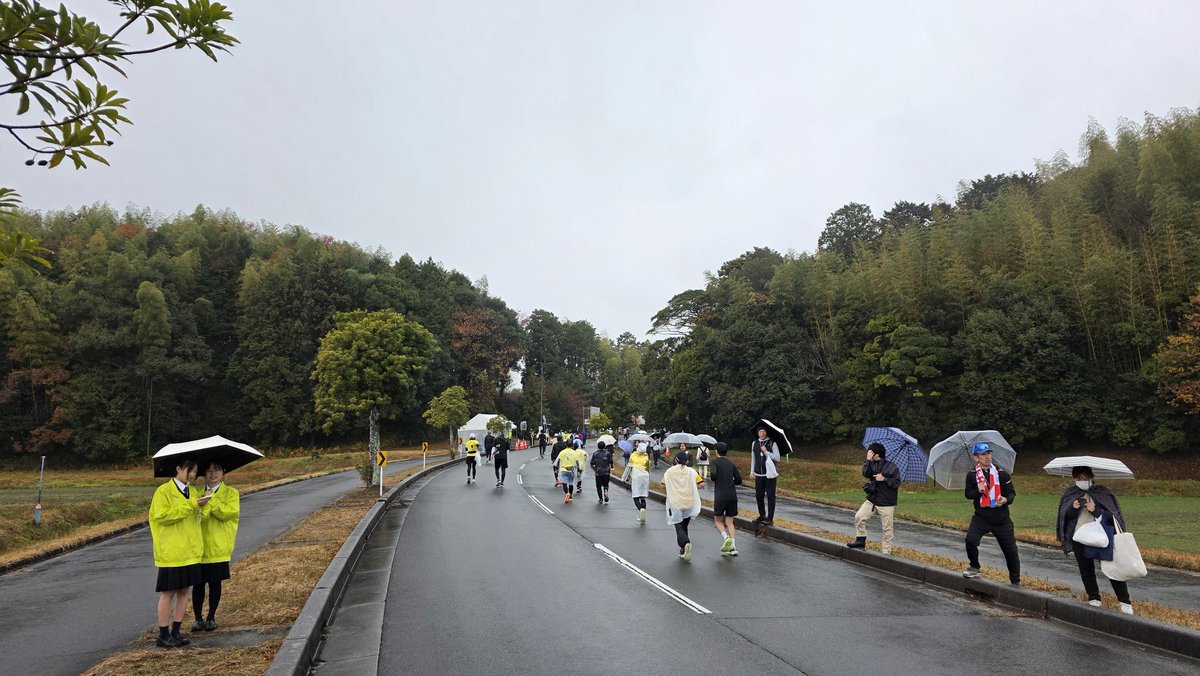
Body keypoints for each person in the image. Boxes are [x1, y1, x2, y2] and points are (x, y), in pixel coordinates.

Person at [1056, 466, 1135, 614]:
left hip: (1101, 537)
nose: (1082, 480)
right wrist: (1073, 508)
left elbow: (1113, 517)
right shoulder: (1070, 493)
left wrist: (1096, 510)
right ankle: (1094, 598)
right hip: (1079, 537)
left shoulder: (1103, 492)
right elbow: (1063, 516)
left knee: (1112, 568)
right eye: (1079, 478)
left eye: (1085, 477)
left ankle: (1125, 601)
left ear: (1091, 477)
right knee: (1086, 570)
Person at [149, 459, 206, 648]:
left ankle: (176, 631)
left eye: (196, 471)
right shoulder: (163, 492)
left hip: (189, 551)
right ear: (179, 468)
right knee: (168, 592)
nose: (193, 475)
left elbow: (196, 518)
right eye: (190, 470)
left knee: (184, 591)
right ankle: (163, 634)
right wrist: (191, 506)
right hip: (172, 551)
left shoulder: (193, 492)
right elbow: (162, 516)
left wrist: (203, 505)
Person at [962, 442, 1020, 584]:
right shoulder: (972, 475)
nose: (987, 457)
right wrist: (978, 491)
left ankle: (1015, 580)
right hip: (982, 516)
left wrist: (1006, 499)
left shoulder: (1002, 474)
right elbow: (968, 494)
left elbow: (1012, 493)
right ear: (976, 458)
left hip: (1002, 518)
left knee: (1011, 551)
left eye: (989, 453)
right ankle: (974, 566)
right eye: (983, 454)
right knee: (970, 540)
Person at [192, 462, 239, 632]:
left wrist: (209, 501)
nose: (213, 474)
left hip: (219, 546)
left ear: (224, 472)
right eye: (209, 470)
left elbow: (227, 513)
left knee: (215, 583)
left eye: (217, 470)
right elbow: (197, 517)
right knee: (198, 584)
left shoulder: (231, 493)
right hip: (199, 547)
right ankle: (197, 618)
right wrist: (203, 501)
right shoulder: (196, 493)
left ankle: (211, 617)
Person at [846, 442, 901, 554]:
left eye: (870, 452)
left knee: (887, 529)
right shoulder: (872, 463)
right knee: (859, 517)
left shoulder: (892, 467)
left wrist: (884, 479)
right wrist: (868, 461)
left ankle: (886, 550)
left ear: (876, 453)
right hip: (872, 500)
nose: (868, 453)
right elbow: (865, 474)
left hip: (886, 502)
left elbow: (896, 483)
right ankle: (860, 540)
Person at [663, 452, 703, 561]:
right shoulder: (692, 471)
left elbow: (663, 484)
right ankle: (682, 550)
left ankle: (686, 544)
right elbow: (701, 484)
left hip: (675, 503)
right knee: (684, 525)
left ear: (676, 459)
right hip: (689, 502)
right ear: (687, 461)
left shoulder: (669, 472)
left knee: (678, 526)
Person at [709, 442, 742, 556]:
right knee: (730, 521)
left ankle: (726, 537)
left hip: (720, 495)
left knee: (717, 519)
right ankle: (733, 546)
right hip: (732, 495)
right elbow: (739, 479)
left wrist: (716, 478)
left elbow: (713, 475)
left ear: (716, 451)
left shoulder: (714, 462)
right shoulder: (731, 464)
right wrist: (730, 481)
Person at [751, 427, 780, 525]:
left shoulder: (772, 443)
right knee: (759, 495)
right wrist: (752, 471)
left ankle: (770, 518)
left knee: (770, 496)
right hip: (758, 473)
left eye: (764, 432)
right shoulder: (754, 443)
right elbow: (753, 458)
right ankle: (762, 515)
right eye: (760, 432)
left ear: (766, 433)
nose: (762, 433)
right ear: (758, 433)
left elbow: (777, 458)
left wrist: (766, 452)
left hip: (770, 474)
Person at [623, 441, 652, 522]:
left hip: (636, 477)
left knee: (636, 497)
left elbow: (628, 467)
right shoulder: (646, 456)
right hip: (645, 477)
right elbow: (648, 467)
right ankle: (642, 515)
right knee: (643, 497)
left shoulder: (633, 455)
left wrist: (624, 478)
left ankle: (640, 511)